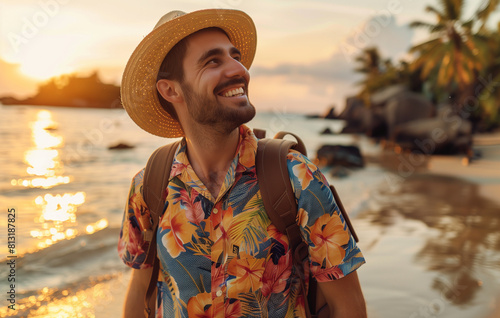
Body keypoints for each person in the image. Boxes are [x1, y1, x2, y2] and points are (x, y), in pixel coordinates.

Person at [118, 8, 366, 318]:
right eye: (213, 61)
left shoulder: (297, 176)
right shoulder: (148, 186)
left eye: (235, 57)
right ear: (171, 89)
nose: (239, 69)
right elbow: (140, 289)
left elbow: (349, 307)